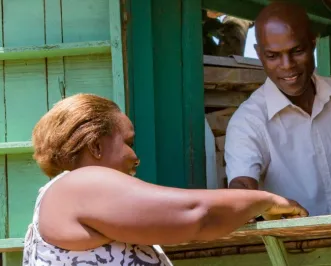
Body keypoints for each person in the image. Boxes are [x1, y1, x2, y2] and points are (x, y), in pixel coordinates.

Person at [23, 93, 308, 266]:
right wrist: (267, 200)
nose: (135, 156)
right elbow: (195, 215)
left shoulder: (66, 193)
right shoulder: (81, 184)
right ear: (96, 145)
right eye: (128, 142)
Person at [225, 2, 331, 217]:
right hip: (294, 249)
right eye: (273, 56)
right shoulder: (248, 122)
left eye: (297, 51)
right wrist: (243, 197)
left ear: (312, 43)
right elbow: (242, 185)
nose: (287, 65)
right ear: (259, 54)